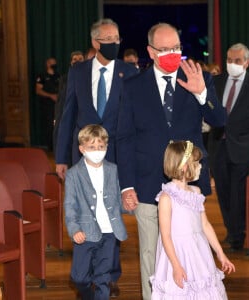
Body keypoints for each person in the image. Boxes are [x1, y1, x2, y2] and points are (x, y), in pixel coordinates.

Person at [116, 22, 226, 300]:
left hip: (188, 184)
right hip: (146, 182)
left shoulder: (198, 77)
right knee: (152, 254)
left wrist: (202, 94)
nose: (172, 54)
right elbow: (124, 138)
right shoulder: (131, 87)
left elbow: (219, 120)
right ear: (151, 52)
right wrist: (126, 185)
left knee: (192, 252)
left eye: (176, 48)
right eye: (164, 49)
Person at [55, 18, 138, 297]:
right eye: (108, 39)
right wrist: (60, 158)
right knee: (84, 213)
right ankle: (85, 274)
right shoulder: (77, 72)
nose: (114, 43)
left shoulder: (130, 72)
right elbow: (67, 117)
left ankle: (108, 276)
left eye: (117, 38)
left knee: (110, 214)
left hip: (116, 156)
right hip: (82, 159)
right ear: (95, 42)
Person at [150, 140, 235, 299]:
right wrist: (176, 265)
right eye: (196, 163)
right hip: (178, 254)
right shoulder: (166, 197)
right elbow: (165, 236)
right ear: (184, 166)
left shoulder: (196, 192)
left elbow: (205, 224)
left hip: (198, 252)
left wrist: (220, 253)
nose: (200, 166)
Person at [209, 43, 249, 251]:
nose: (232, 64)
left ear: (247, 62)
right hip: (218, 145)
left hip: (242, 147)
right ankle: (231, 230)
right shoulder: (216, 82)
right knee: (223, 191)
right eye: (229, 60)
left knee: (238, 192)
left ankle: (238, 234)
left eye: (237, 61)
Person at [64, 124, 127, 300]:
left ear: (106, 147)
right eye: (92, 147)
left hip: (109, 233)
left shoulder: (112, 169)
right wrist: (74, 229)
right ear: (82, 148)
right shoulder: (73, 174)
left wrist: (128, 206)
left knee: (103, 278)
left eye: (101, 146)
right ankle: (87, 296)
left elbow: (117, 200)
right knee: (79, 278)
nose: (97, 150)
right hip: (84, 233)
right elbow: (70, 205)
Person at [53, 50, 84, 157]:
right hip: (66, 115)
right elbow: (60, 100)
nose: (77, 62)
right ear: (71, 62)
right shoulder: (64, 78)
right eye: (75, 59)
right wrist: (56, 117)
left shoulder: (89, 77)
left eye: (80, 59)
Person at [35, 57, 60, 151]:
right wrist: (50, 96)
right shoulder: (42, 76)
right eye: (51, 63)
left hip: (57, 105)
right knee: (49, 126)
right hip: (46, 105)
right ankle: (50, 146)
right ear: (47, 64)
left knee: (57, 125)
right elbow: (38, 90)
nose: (53, 65)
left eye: (55, 63)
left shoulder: (58, 75)